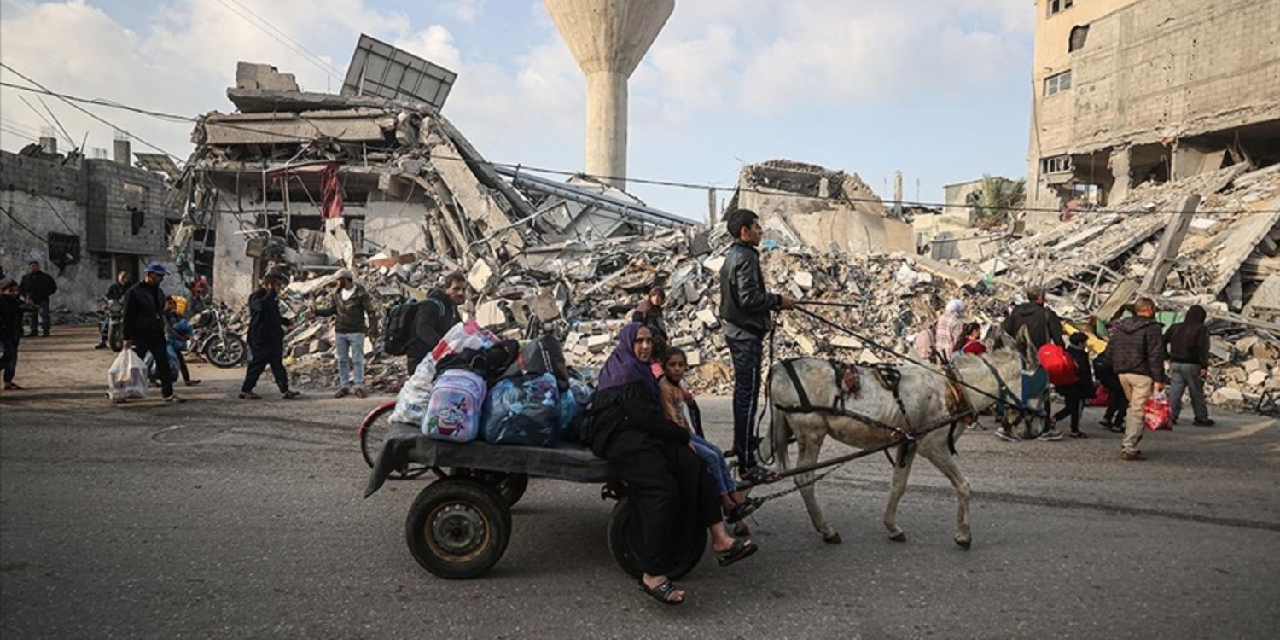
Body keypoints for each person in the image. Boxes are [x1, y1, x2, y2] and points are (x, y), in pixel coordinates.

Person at [586, 324, 758, 605]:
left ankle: (720, 538)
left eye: (648, 341)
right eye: (639, 341)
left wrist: (682, 440)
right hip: (620, 437)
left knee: (695, 464)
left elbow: (649, 418)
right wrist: (680, 435)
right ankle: (652, 574)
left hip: (641, 432)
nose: (644, 346)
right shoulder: (625, 370)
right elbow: (641, 416)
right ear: (628, 343)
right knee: (661, 492)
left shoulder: (639, 370)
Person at [718, 208, 794, 482]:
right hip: (744, 335)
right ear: (744, 232)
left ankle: (744, 442)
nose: (761, 232)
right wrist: (776, 301)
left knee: (744, 393)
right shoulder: (745, 257)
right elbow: (749, 299)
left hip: (737, 332)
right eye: (757, 228)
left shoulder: (734, 255)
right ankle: (748, 462)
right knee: (747, 395)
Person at [658, 347, 760, 524]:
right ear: (664, 367)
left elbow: (683, 417)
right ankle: (725, 501)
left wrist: (693, 436)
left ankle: (734, 493)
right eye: (672, 365)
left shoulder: (678, 386)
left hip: (685, 433)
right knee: (711, 458)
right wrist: (687, 441)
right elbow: (672, 418)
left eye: (680, 365)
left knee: (717, 452)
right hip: (677, 437)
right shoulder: (664, 388)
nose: (677, 369)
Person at [1103, 297, 1167, 461]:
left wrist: (1113, 368)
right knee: (1137, 410)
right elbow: (1155, 355)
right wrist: (1159, 378)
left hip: (1122, 373)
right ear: (1150, 309)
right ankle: (1129, 446)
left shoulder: (1120, 327)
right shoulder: (1152, 328)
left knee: (1133, 407)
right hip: (1142, 374)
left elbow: (1110, 350)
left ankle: (1130, 440)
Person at [999, 286, 1066, 442]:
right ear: (1041, 297)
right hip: (1039, 358)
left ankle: (1006, 427)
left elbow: (1005, 331)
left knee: (1016, 391)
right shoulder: (1046, 314)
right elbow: (1057, 339)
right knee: (1042, 392)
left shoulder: (1015, 312)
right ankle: (1045, 429)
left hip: (1018, 358)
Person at [121, 263, 182, 403]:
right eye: (159, 276)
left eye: (162, 277)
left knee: (163, 363)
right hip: (140, 334)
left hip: (156, 333)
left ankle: (168, 394)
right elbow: (127, 316)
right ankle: (122, 390)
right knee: (133, 365)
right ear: (149, 275)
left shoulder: (158, 292)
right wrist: (127, 337)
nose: (161, 279)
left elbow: (160, 311)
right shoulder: (134, 292)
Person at [315, 269, 379, 398]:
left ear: (346, 279)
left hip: (356, 331)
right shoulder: (337, 294)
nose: (337, 282)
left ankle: (359, 386)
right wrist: (316, 312)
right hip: (340, 331)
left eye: (339, 280)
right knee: (342, 360)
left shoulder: (360, 293)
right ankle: (344, 386)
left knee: (357, 360)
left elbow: (371, 312)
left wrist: (373, 331)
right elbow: (332, 310)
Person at [239, 273, 300, 400]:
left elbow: (274, 316)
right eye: (277, 286)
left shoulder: (271, 299)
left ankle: (285, 390)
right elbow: (260, 307)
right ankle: (246, 390)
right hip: (260, 338)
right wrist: (271, 293)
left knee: (277, 365)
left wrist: (287, 322)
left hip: (273, 337)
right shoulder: (256, 297)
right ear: (269, 285)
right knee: (257, 364)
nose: (279, 289)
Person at [406, 272, 465, 375]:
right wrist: (443, 347)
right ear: (446, 289)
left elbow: (459, 329)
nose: (461, 293)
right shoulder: (432, 305)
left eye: (463, 290)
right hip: (421, 361)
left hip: (435, 359)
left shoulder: (451, 307)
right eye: (456, 289)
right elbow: (422, 329)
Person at [1165, 304, 1213, 427]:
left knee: (1175, 391)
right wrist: (1204, 366)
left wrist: (1166, 356)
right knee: (1196, 391)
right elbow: (1203, 348)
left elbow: (1162, 340)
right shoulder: (1201, 329)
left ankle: (1171, 417)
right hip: (1192, 364)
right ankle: (1201, 418)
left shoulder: (1175, 327)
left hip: (1175, 363)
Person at [1051, 332, 1093, 438]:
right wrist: (1089, 391)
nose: (1086, 345)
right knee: (1076, 409)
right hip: (1077, 387)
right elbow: (1085, 374)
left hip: (1064, 385)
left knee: (1070, 406)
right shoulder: (1081, 356)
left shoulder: (1065, 353)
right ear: (1080, 343)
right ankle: (1075, 429)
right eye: (1085, 343)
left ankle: (1054, 419)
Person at [1, 278, 37, 390]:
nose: (14, 293)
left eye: (16, 290)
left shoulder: (17, 301)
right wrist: (22, 307)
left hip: (14, 332)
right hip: (3, 332)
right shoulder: (2, 301)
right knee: (9, 354)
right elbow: (9, 310)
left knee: (13, 358)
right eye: (11, 290)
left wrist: (30, 305)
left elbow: (33, 309)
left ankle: (8, 382)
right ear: (3, 291)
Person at [163, 296, 198, 386]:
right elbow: (168, 330)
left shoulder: (174, 315)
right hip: (166, 342)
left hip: (173, 342)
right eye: (169, 303)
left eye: (172, 303)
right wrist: (180, 337)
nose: (171, 305)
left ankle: (187, 380)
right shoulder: (163, 315)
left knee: (180, 360)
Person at [631, 286, 669, 370]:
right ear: (650, 296)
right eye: (654, 296)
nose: (656, 299)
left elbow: (659, 324)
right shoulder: (644, 308)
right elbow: (636, 324)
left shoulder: (657, 310)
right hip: (646, 338)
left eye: (659, 297)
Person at [18, 260, 57, 337]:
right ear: (29, 267)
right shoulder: (26, 278)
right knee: (32, 316)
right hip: (31, 300)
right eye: (32, 266)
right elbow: (21, 289)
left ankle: (46, 330)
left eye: (35, 266)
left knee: (45, 315)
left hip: (43, 299)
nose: (34, 267)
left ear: (38, 266)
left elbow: (53, 288)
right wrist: (26, 297)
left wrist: (45, 294)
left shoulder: (45, 277)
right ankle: (34, 331)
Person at [1094, 346, 1128, 432]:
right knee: (1124, 398)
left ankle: (1107, 417)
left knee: (1116, 396)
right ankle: (1118, 423)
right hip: (1119, 376)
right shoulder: (1124, 350)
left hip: (1108, 378)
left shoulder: (1110, 349)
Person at [96, 270, 132, 349]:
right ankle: (103, 340)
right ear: (118, 277)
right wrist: (106, 304)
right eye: (122, 277)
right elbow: (108, 296)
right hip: (116, 308)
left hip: (127, 309)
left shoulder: (131, 287)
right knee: (106, 321)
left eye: (125, 277)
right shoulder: (113, 287)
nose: (123, 278)